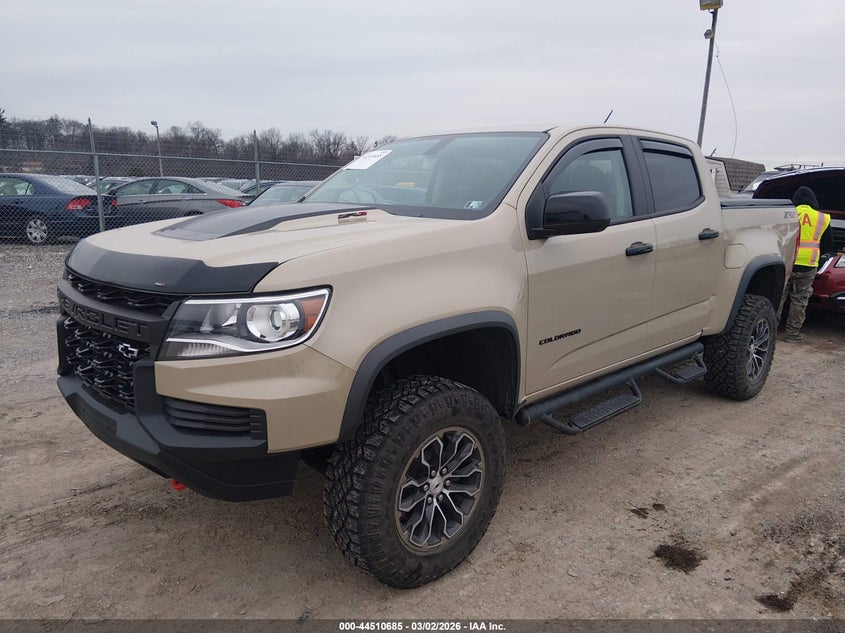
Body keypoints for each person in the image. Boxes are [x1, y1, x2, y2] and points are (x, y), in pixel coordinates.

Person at [778, 186, 832, 342]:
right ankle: (792, 334)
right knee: (799, 299)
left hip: (785, 263)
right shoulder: (822, 218)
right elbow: (828, 243)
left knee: (779, 297)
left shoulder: (786, 215)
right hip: (808, 265)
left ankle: (771, 331)